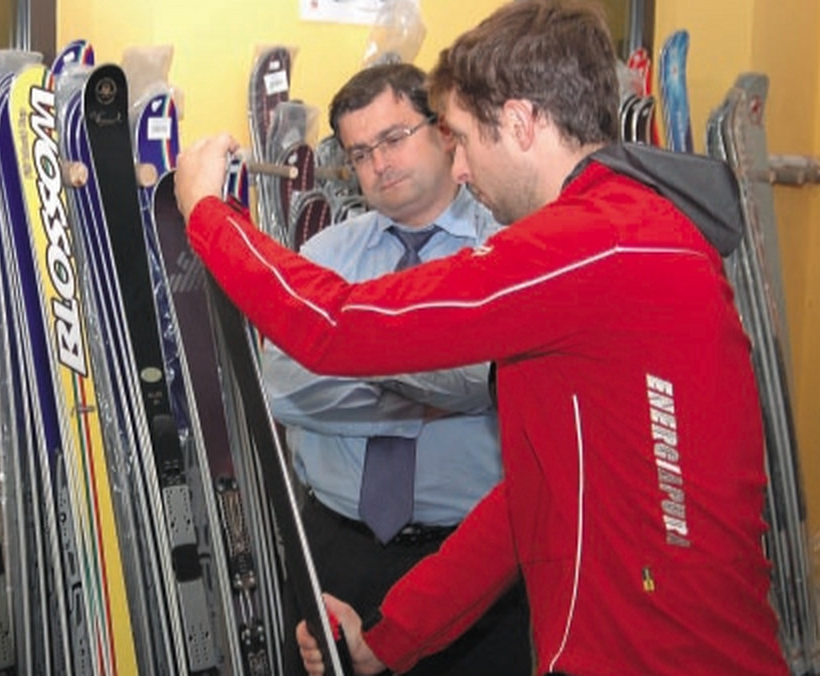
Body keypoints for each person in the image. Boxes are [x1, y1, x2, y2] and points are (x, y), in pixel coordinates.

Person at [173, 1, 790, 674]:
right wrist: (389, 641)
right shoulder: (612, 244)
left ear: (521, 122)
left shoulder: (594, 244)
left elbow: (338, 327)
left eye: (461, 138)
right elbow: (526, 500)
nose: (458, 167)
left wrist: (208, 213)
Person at [263, 63, 530, 675]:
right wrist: (433, 398)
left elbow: (485, 376)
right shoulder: (326, 253)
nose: (378, 164)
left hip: (472, 565)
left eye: (392, 138)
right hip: (337, 550)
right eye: (359, 153)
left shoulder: (506, 246)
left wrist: (348, 360)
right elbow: (282, 386)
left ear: (442, 131)